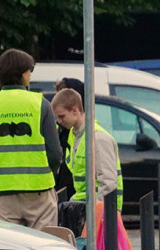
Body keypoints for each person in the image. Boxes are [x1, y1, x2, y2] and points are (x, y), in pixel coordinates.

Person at [0, 48, 63, 231]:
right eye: (30, 71)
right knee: (43, 247)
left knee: (9, 248)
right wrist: (49, 173)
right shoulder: (40, 105)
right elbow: (54, 153)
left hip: (2, 193)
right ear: (23, 74)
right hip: (39, 191)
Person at [51, 87, 123, 220]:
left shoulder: (97, 138)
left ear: (75, 110)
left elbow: (107, 183)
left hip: (101, 212)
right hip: (87, 207)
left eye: (62, 116)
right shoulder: (75, 136)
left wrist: (97, 215)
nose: (59, 121)